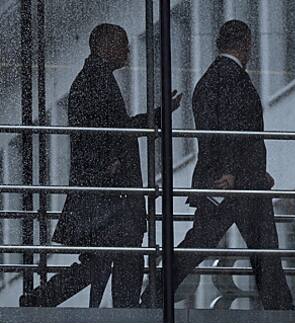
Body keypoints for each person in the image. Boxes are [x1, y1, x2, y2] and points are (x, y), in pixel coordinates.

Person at [20, 24, 181, 308]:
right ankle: (124, 315)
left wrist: (155, 117)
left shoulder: (93, 79)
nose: (128, 51)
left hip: (107, 194)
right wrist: (110, 162)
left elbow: (109, 131)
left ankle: (48, 297)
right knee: (119, 258)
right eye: (123, 44)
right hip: (111, 194)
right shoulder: (95, 81)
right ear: (106, 46)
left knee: (106, 259)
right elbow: (103, 134)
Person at [141, 20, 295, 310]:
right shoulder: (230, 78)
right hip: (235, 181)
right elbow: (229, 131)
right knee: (260, 246)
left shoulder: (212, 79)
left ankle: (154, 293)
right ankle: (282, 309)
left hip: (234, 178)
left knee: (204, 241)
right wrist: (235, 173)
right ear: (246, 43)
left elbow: (221, 131)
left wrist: (251, 172)